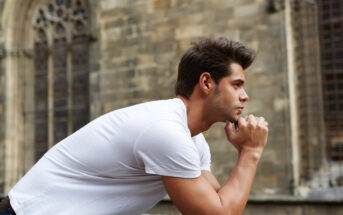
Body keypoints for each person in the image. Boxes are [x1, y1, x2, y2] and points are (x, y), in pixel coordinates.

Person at [4, 37, 268, 215]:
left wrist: (247, 152)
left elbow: (222, 201)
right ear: (207, 83)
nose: (245, 96)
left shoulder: (191, 139)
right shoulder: (165, 131)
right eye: (237, 85)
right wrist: (250, 152)